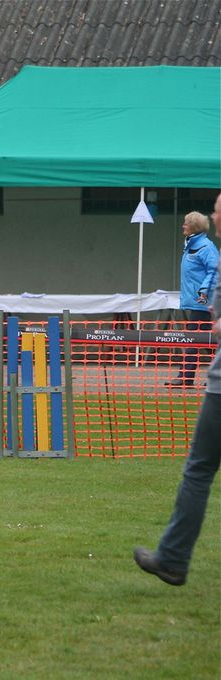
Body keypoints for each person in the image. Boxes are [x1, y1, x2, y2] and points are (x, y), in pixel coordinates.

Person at [134, 192, 221, 585]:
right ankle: (171, 557)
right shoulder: (197, 245)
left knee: (198, 471)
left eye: (216, 210)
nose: (212, 216)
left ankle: (172, 558)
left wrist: (207, 299)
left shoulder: (207, 250)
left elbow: (210, 274)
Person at [166, 210, 219, 387]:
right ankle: (197, 377)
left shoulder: (205, 247)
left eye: (186, 223)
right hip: (198, 301)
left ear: (194, 226)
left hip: (203, 302)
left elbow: (214, 271)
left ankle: (187, 377)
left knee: (194, 338)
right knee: (201, 339)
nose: (183, 226)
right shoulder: (192, 244)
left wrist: (203, 292)